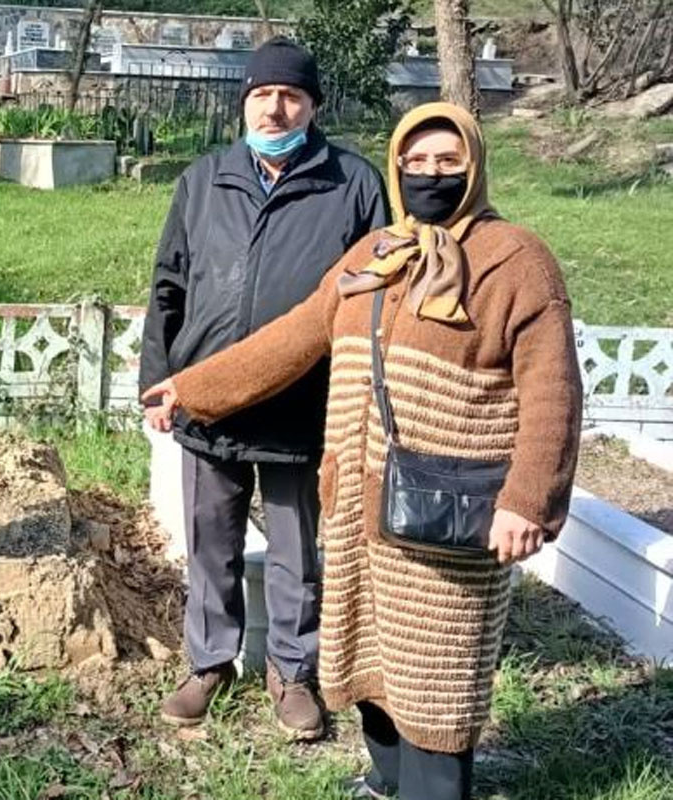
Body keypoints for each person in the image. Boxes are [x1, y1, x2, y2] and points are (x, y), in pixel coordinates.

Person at [143, 102, 583, 800]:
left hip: (449, 509)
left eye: (447, 162)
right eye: (414, 163)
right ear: (396, 168)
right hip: (359, 505)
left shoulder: (517, 261)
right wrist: (194, 388)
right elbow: (293, 336)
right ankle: (385, 781)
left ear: (474, 167)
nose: (429, 175)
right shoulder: (374, 255)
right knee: (369, 658)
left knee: (437, 677)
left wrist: (527, 501)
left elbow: (554, 391)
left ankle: (435, 793)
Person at [139, 37, 388, 739]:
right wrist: (160, 380)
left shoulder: (354, 184)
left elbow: (376, 300)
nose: (275, 108)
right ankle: (209, 662)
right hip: (207, 400)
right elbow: (168, 285)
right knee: (209, 538)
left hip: (302, 406)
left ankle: (292, 671)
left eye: (290, 96)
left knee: (297, 549)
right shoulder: (204, 179)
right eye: (262, 95)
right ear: (243, 102)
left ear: (313, 105)